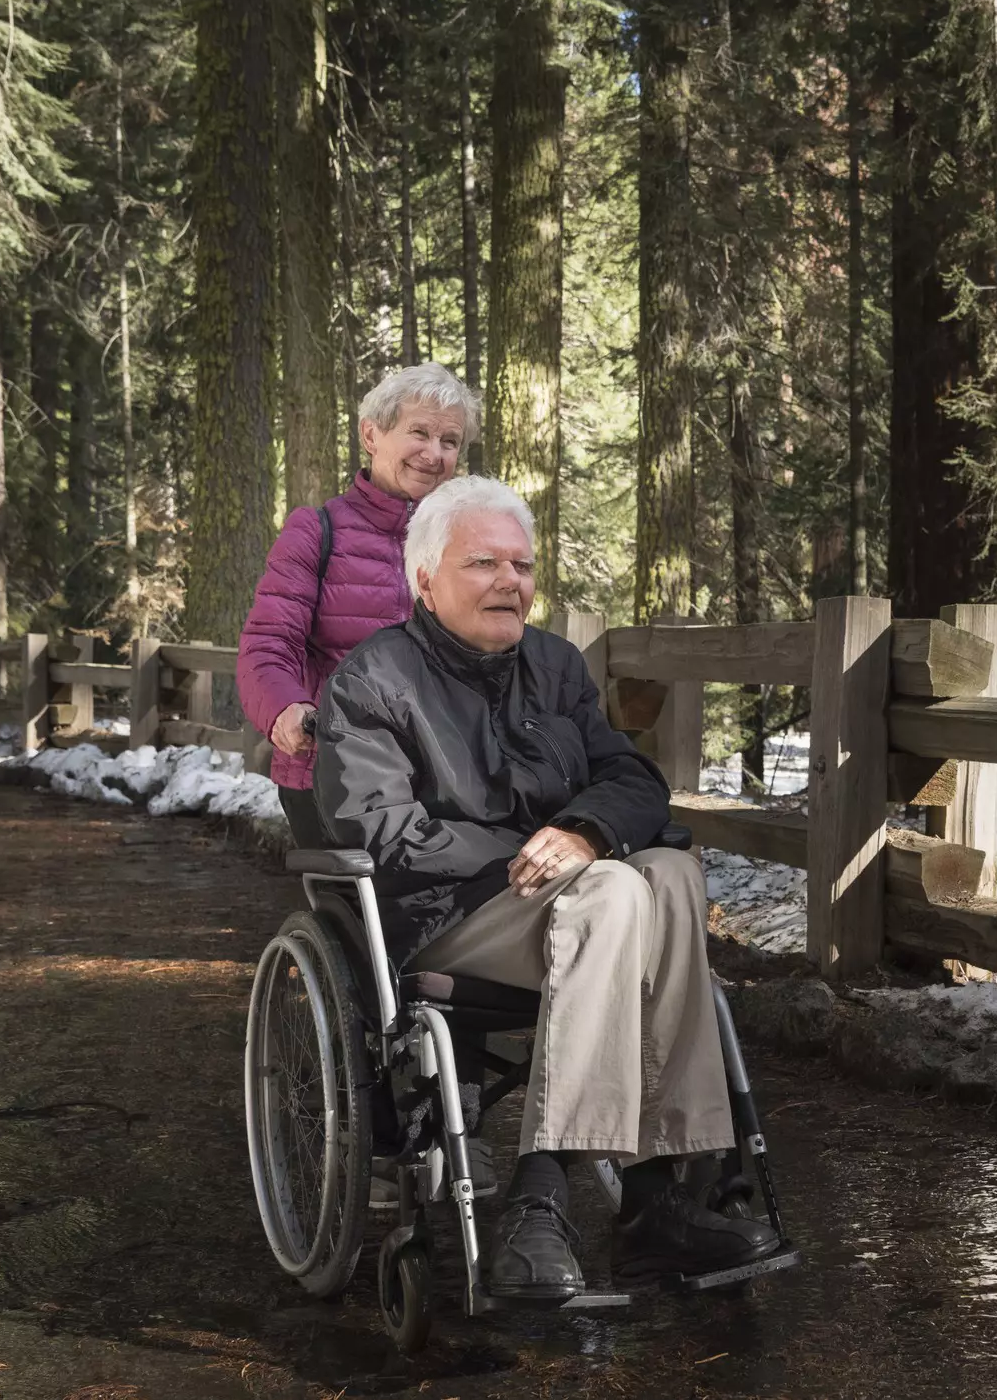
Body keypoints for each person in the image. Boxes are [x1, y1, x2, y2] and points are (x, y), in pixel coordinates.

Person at [313, 474, 782, 1295]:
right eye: (483, 562)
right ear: (424, 578)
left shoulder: (555, 666)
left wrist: (587, 832)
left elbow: (633, 779)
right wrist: (536, 855)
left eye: (523, 565)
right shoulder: (374, 680)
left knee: (666, 868)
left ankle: (656, 1196)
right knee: (612, 891)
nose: (510, 581)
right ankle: (542, 1192)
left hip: (576, 907)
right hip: (449, 916)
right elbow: (378, 831)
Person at [238, 363, 477, 848]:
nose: (434, 454)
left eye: (449, 441)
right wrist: (286, 707)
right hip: (336, 770)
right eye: (419, 433)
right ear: (371, 434)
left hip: (447, 773)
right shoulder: (316, 530)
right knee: (368, 914)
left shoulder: (467, 540)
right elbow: (267, 645)